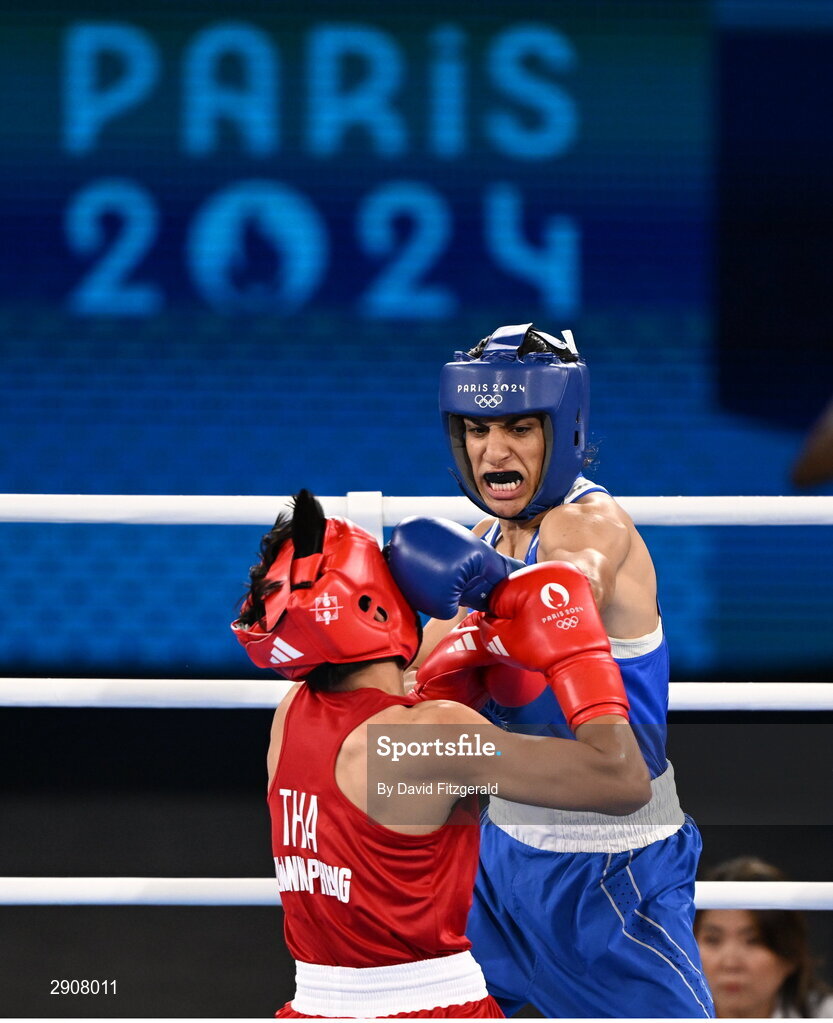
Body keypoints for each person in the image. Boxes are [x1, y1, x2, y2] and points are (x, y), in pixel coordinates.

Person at [394, 322, 714, 1018]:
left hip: (609, 868)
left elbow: (569, 588)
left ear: (562, 430)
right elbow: (411, 685)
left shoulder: (590, 522)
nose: (493, 450)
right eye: (476, 430)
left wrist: (479, 600)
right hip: (496, 854)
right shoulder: (477, 543)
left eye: (517, 427)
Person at [231, 488, 650, 1019]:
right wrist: (577, 653)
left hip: (313, 1004)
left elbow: (400, 753)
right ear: (372, 601)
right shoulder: (427, 737)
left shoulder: (291, 715)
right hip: (432, 1006)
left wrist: (464, 651)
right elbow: (623, 782)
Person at [696, 856, 833, 1019]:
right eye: (712, 939)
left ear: (790, 952)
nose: (730, 963)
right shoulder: (662, 1014)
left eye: (754, 940)